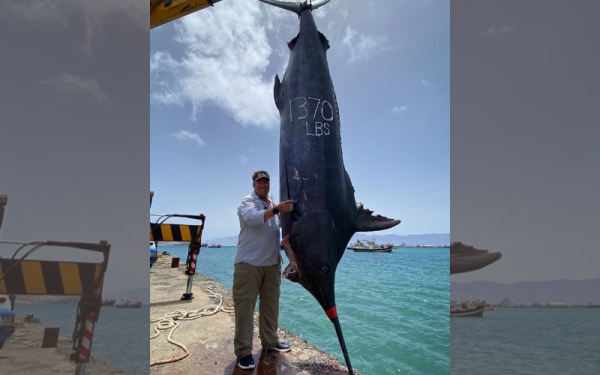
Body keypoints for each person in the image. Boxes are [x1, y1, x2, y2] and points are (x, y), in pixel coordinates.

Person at [233, 170, 294, 370]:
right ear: (253, 185)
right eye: (259, 182)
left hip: (271, 264)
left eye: (266, 182)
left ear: (269, 184)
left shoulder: (272, 202)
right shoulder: (247, 202)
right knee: (245, 309)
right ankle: (243, 352)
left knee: (270, 306)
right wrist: (277, 209)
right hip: (248, 264)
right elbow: (252, 218)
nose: (263, 185)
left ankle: (270, 342)